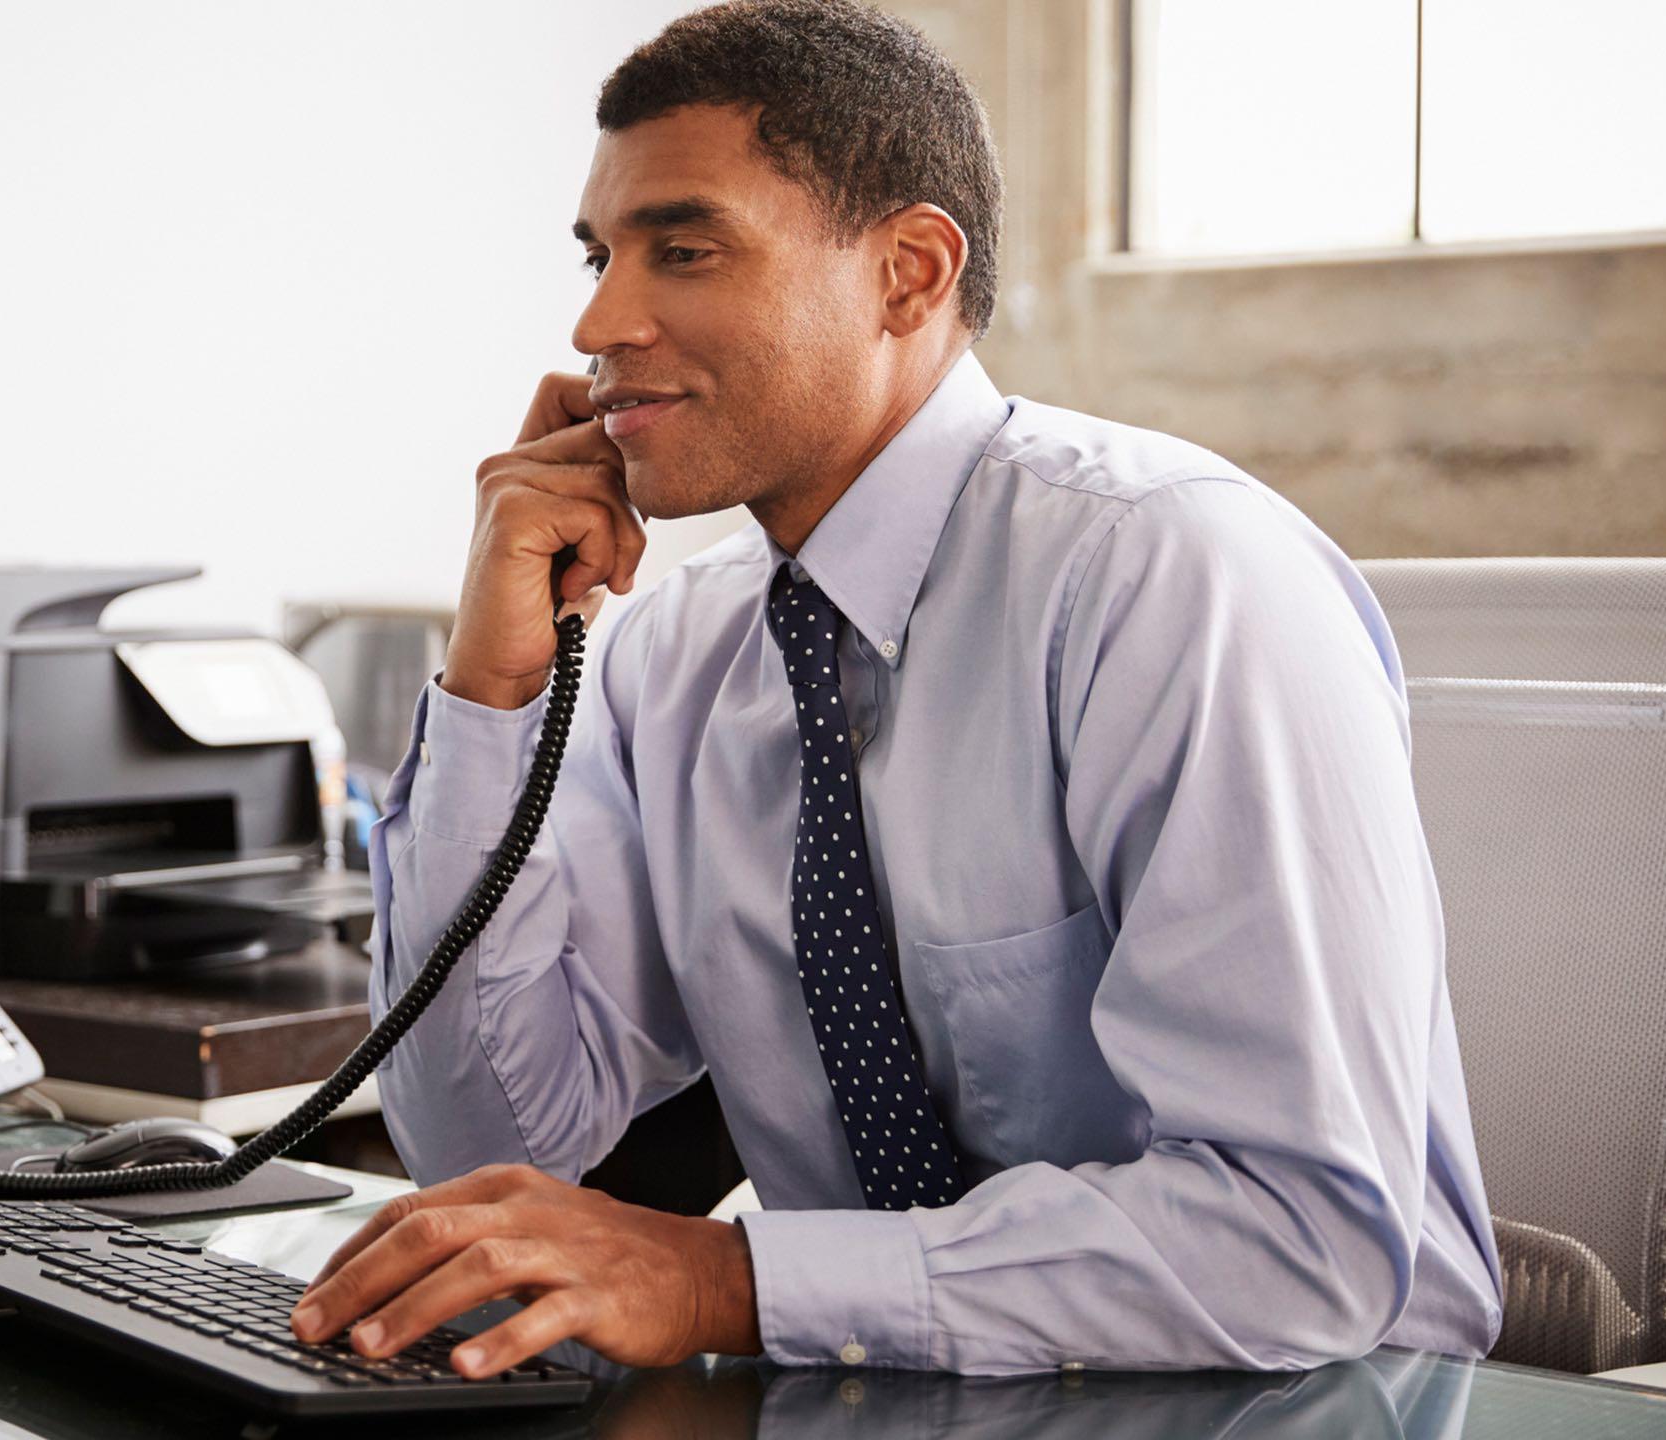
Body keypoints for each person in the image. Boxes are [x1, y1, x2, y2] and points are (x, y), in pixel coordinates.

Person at [290, 0, 1504, 1379]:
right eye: (598, 255)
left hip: (1313, 1398)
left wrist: (727, 1278)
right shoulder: (675, 657)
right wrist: (494, 689)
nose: (598, 320)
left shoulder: (1167, 577)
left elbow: (1298, 1240)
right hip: (914, 1398)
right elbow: (491, 1152)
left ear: (910, 275)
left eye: (681, 250)